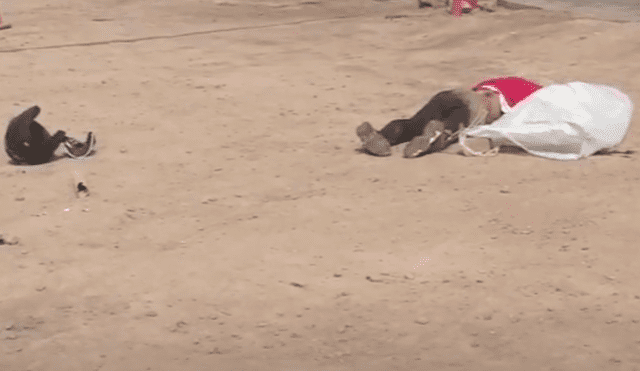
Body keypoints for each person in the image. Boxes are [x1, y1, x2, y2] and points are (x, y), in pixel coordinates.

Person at [356, 76, 543, 158]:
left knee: (414, 124)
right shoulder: (537, 96)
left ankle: (381, 137)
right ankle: (436, 135)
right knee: (453, 125)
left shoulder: (507, 82)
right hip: (478, 106)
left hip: (451, 95)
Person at [4, 105, 96, 165]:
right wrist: (59, 137)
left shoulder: (17, 141)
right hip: (33, 153)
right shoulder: (39, 152)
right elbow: (42, 152)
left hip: (18, 151)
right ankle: (70, 146)